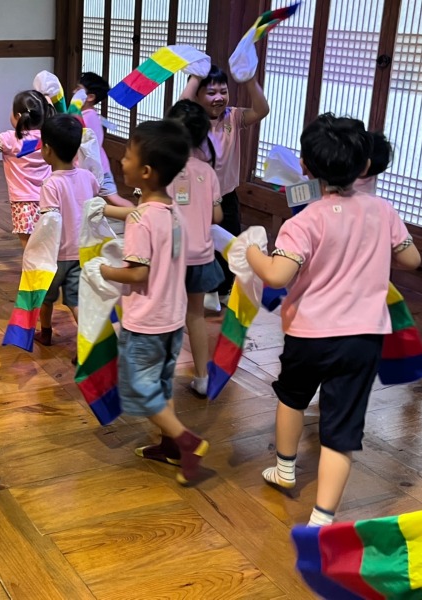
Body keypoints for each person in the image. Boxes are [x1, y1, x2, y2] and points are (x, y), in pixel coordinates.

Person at [245, 114, 421, 526]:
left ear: (305, 167)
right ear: (366, 165)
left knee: (292, 396)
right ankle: (322, 520)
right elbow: (412, 259)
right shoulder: (383, 210)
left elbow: (277, 275)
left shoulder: (303, 221)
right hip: (363, 339)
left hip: (308, 333)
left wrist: (251, 250)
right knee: (341, 428)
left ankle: (285, 469)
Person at [100, 119, 209, 485]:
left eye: (128, 156)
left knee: (139, 390)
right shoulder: (171, 211)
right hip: (172, 319)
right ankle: (171, 447)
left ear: (145, 171)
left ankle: (186, 441)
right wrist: (103, 209)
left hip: (145, 322)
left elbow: (137, 273)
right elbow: (140, 218)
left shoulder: (140, 222)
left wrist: (103, 270)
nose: (122, 161)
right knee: (161, 385)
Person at [181, 65, 270, 309]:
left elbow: (262, 110)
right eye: (211, 92)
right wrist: (195, 76)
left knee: (230, 242)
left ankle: (222, 290)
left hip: (227, 195)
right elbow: (180, 108)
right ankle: (201, 290)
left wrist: (249, 79)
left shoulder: (233, 117)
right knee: (199, 244)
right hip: (196, 198)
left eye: (223, 91)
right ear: (197, 95)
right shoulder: (191, 121)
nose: (219, 98)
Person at [165, 100, 224, 397]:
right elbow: (217, 216)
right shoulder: (207, 172)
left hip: (170, 256)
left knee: (166, 315)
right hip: (201, 256)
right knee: (195, 316)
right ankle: (202, 376)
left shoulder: (163, 169)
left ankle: (160, 376)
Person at [34, 114, 99, 348]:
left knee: (45, 298)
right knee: (76, 301)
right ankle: (88, 346)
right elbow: (95, 196)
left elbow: (48, 222)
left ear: (47, 149)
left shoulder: (51, 184)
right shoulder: (88, 177)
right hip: (81, 252)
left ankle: (46, 333)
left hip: (56, 256)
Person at [0, 90, 54, 248]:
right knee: (48, 245)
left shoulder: (12, 139)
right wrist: (47, 94)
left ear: (18, 116)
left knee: (29, 248)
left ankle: (33, 265)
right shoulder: (49, 136)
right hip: (49, 200)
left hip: (23, 203)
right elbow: (53, 116)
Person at [75, 72, 134, 209]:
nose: (74, 92)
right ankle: (135, 214)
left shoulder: (87, 117)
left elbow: (83, 143)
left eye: (78, 90)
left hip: (92, 167)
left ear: (90, 97)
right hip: (99, 166)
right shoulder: (90, 114)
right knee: (113, 198)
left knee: (106, 199)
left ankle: (135, 214)